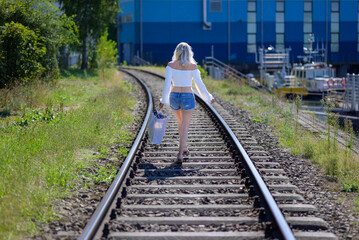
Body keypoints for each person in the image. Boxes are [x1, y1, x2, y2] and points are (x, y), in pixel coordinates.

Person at [158, 42, 215, 163]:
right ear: (189, 53)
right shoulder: (193, 66)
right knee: (185, 126)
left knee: (180, 123)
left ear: (177, 52)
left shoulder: (170, 65)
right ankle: (179, 154)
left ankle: (184, 147)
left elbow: (167, 84)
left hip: (174, 96)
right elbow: (199, 84)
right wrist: (208, 97)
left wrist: (163, 100)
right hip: (188, 97)